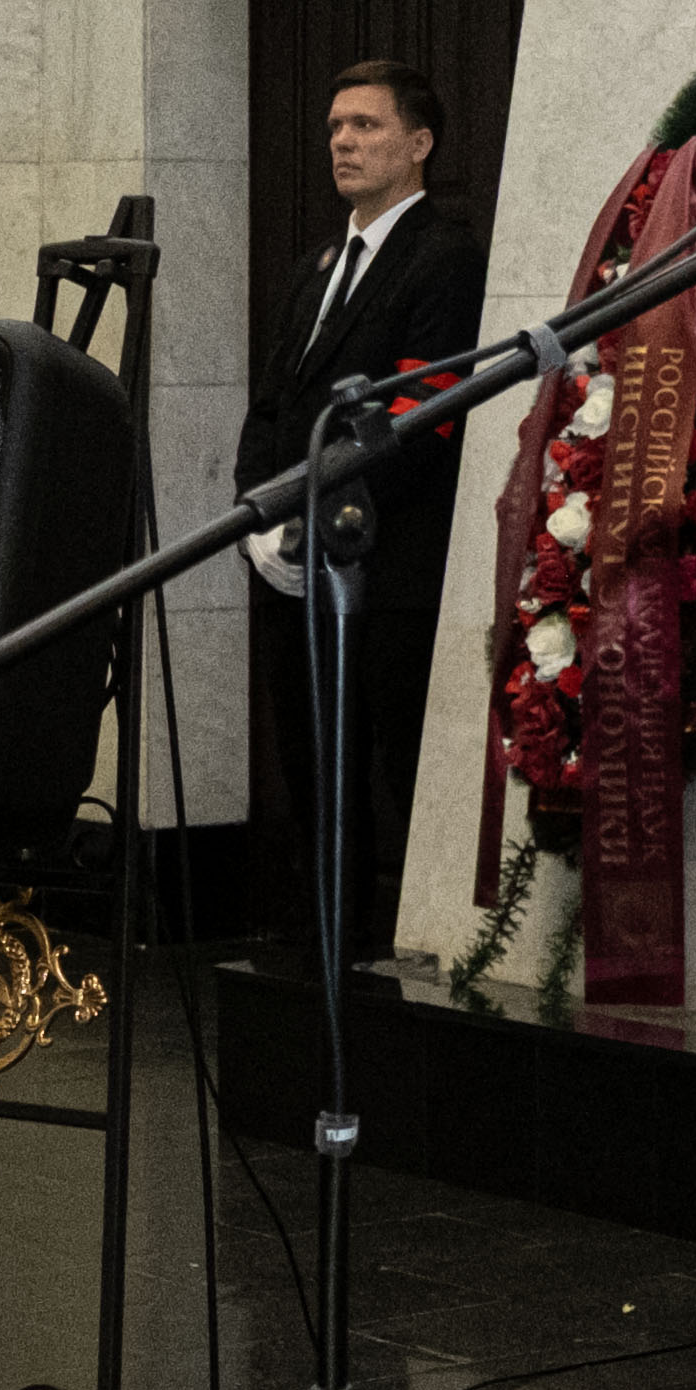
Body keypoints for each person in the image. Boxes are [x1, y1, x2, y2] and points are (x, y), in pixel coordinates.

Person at [233, 56, 484, 952]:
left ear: (419, 144)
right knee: (313, 763)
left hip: (388, 566)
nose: (342, 141)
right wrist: (257, 516)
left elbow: (422, 415)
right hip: (294, 566)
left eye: (366, 125)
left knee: (399, 762)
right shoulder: (319, 263)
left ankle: (418, 949)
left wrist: (321, 524)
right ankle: (324, 941)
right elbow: (272, 404)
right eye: (336, 126)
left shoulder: (444, 255)